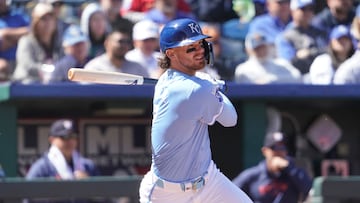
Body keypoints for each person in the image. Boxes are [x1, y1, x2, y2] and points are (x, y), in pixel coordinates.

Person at [138, 18, 252, 203]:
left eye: (200, 44)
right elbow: (230, 119)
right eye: (190, 48)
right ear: (171, 54)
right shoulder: (193, 89)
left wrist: (206, 84)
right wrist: (213, 88)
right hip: (167, 194)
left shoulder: (171, 79)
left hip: (208, 180)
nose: (200, 51)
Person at [25, 119, 100, 202]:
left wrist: (90, 185)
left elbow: (104, 197)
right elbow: (28, 199)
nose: (70, 141)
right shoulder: (41, 167)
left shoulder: (87, 166)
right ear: (51, 140)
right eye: (64, 137)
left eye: (73, 136)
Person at [232, 132, 313, 203]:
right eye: (275, 148)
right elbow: (230, 193)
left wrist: (289, 168)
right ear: (265, 151)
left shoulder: (294, 172)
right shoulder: (252, 175)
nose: (280, 152)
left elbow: (308, 188)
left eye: (283, 148)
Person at [12, 2, 63, 84]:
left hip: (51, 88)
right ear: (35, 22)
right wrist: (48, 69)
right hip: (24, 87)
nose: (48, 22)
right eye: (43, 18)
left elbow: (63, 63)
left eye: (51, 18)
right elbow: (28, 65)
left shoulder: (59, 43)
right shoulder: (25, 41)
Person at [275, 0, 328, 75]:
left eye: (310, 8)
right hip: (298, 79)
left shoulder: (319, 32)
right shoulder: (285, 36)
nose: (307, 12)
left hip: (321, 75)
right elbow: (287, 64)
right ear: (292, 11)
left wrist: (309, 53)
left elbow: (327, 52)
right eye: (303, 9)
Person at [234, 32, 302, 84]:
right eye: (257, 48)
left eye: (263, 47)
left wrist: (271, 80)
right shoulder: (242, 69)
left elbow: (298, 77)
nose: (261, 51)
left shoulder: (281, 63)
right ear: (248, 50)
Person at [84, 28, 149, 77]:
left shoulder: (138, 68)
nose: (124, 45)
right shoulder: (94, 68)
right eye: (120, 41)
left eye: (127, 42)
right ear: (107, 43)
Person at [0, 0, 30, 74]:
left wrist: (6, 33)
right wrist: (16, 38)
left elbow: (32, 31)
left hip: (22, 61)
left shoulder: (18, 15)